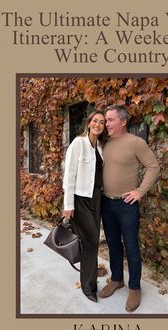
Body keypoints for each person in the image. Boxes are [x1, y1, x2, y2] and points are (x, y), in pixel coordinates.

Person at [99, 105, 160, 312]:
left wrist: (140, 192)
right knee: (113, 244)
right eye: (106, 120)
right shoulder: (104, 143)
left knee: (131, 247)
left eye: (110, 120)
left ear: (123, 122)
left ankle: (135, 287)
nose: (106, 123)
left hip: (126, 205)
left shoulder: (136, 142)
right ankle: (117, 279)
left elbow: (153, 166)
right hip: (106, 203)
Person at [62, 110, 106, 303]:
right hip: (81, 200)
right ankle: (88, 286)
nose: (98, 124)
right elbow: (69, 176)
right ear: (88, 123)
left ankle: (89, 280)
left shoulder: (102, 146)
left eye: (102, 122)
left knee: (91, 240)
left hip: (97, 198)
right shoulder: (78, 143)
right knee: (91, 242)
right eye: (95, 121)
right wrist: (68, 204)